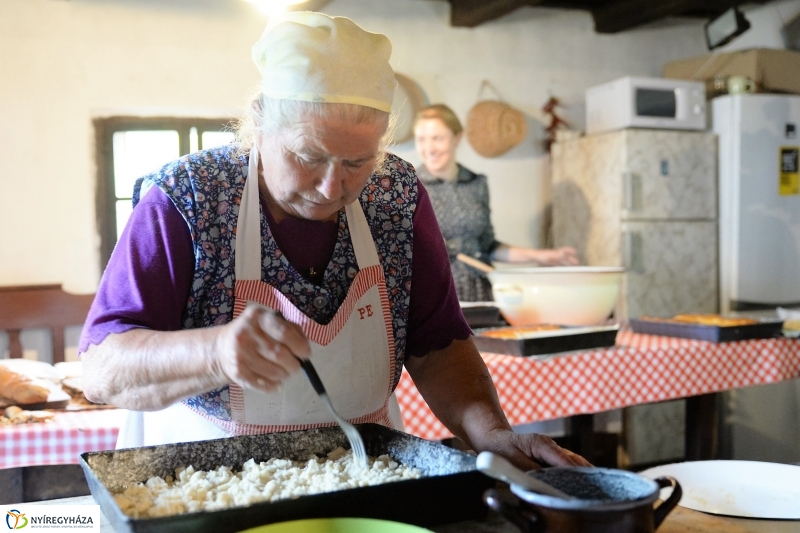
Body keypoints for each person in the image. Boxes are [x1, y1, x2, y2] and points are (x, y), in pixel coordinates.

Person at [79, 12, 588, 471]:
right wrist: (214, 352)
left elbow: (438, 348)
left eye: (356, 163)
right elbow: (102, 371)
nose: (331, 188)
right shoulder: (190, 197)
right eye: (308, 155)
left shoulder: (397, 196)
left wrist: (491, 434)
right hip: (208, 482)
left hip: (363, 470)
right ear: (259, 121)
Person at [413, 104, 578, 302]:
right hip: (434, 298)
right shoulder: (408, 187)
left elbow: (488, 247)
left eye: (437, 138)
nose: (429, 148)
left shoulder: (477, 184)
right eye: (421, 140)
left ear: (457, 138)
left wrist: (540, 256)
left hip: (481, 295)